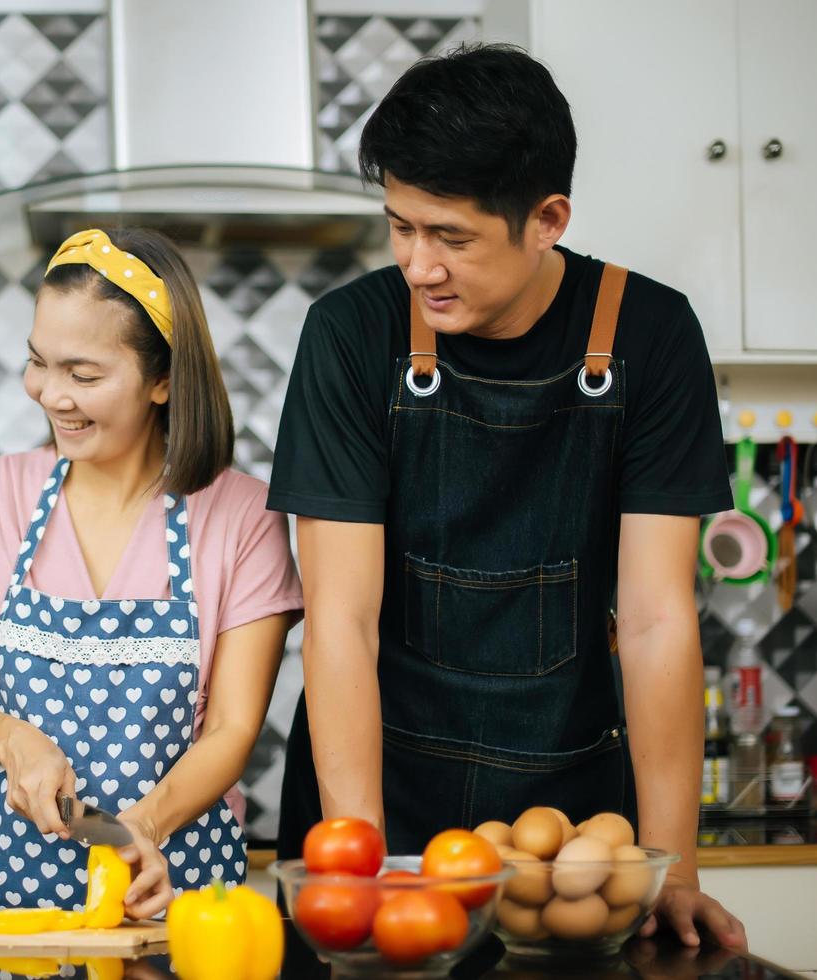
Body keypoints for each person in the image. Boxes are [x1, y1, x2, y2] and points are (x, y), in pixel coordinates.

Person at [269, 44, 746, 949]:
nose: (417, 264)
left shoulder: (650, 334)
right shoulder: (349, 335)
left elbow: (653, 620)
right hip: (377, 803)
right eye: (399, 226)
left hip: (568, 828)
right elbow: (340, 620)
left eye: (450, 237)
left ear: (546, 219)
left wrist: (671, 864)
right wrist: (361, 863)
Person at [0, 228, 302, 919]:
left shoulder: (240, 515)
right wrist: (14, 740)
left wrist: (139, 829)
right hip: (9, 900)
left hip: (174, 893)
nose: (50, 395)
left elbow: (233, 731)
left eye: (83, 375)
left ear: (162, 379)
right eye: (38, 363)